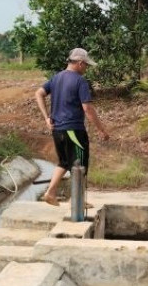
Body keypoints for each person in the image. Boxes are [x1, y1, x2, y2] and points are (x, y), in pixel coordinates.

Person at [35, 48, 109, 206]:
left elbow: (39, 93)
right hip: (73, 130)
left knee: (64, 162)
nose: (86, 69)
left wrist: (46, 118)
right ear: (80, 63)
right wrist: (101, 130)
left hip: (57, 130)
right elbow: (87, 109)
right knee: (80, 164)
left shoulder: (56, 78)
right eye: (86, 65)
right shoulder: (80, 81)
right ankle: (78, 201)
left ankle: (50, 193)